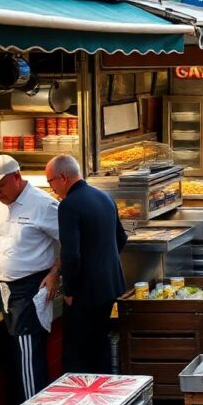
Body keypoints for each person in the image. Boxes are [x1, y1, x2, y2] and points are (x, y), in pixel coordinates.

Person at [0, 155, 60, 402]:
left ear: (16, 177)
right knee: (14, 353)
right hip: (3, 287)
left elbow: (68, 242)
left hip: (30, 288)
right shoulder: (0, 201)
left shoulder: (44, 205)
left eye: (0, 186)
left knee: (28, 354)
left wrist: (55, 273)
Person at [45, 155, 126, 373]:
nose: (51, 188)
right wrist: (103, 262)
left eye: (50, 182)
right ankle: (108, 394)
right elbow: (121, 238)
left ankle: (85, 400)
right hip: (111, 285)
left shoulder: (69, 205)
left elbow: (71, 254)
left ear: (63, 178)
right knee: (100, 345)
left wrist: (69, 290)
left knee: (78, 353)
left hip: (85, 291)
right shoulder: (105, 197)